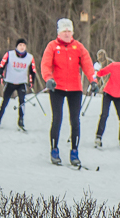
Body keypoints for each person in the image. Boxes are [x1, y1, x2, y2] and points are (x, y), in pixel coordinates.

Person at [41, 18, 97, 166]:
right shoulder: (52, 46)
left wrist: (93, 80)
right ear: (59, 32)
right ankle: (54, 150)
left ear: (72, 32)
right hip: (57, 88)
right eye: (64, 31)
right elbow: (45, 64)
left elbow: (87, 64)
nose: (66, 33)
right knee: (57, 119)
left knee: (75, 121)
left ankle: (74, 152)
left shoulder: (78, 47)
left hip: (74, 89)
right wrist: (48, 78)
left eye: (69, 31)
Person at [0, 38, 37, 130]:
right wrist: (0, 76)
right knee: (5, 102)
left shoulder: (29, 57)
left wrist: (31, 82)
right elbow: (1, 66)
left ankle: (21, 120)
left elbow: (33, 71)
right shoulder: (9, 54)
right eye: (20, 45)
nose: (22, 47)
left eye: (24, 45)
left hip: (22, 83)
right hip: (10, 82)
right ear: (16, 46)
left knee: (22, 102)